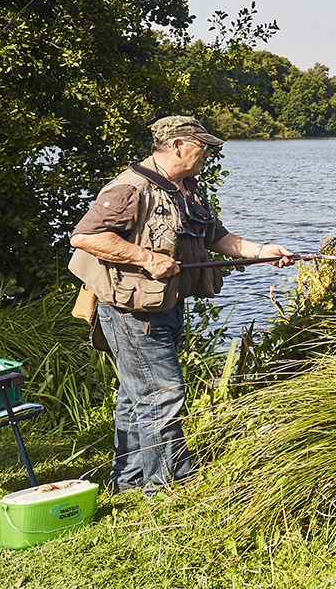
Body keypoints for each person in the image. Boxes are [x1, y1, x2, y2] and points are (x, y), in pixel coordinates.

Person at [68, 116, 295, 494]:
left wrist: (261, 252)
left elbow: (216, 237)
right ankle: (170, 487)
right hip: (131, 312)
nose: (207, 152)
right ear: (176, 145)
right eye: (202, 145)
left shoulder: (187, 189)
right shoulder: (130, 188)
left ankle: (128, 482)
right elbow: (85, 237)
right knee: (164, 392)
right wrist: (145, 257)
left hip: (166, 308)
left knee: (137, 395)